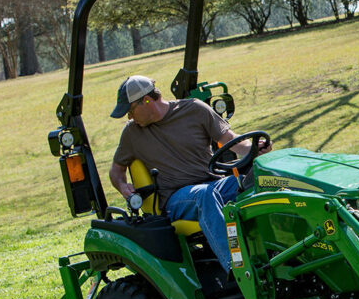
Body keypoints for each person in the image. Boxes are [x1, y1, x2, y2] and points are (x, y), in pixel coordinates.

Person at [107, 75, 269, 273]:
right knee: (204, 196)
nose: (129, 117)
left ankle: (280, 256)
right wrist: (124, 188)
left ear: (146, 101)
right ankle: (240, 272)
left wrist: (254, 148)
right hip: (176, 199)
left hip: (213, 183)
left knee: (261, 180)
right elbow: (116, 171)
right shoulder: (132, 134)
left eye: (130, 111)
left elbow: (229, 139)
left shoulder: (194, 109)